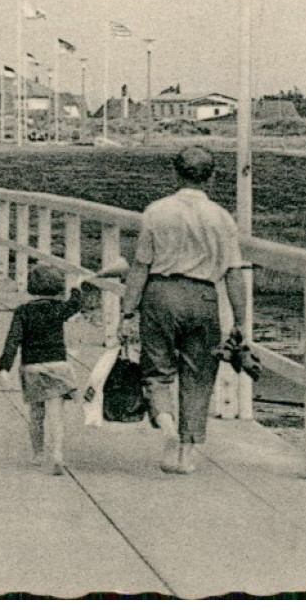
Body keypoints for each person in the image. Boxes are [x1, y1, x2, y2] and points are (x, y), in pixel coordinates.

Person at [120, 145, 249, 475]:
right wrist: (239, 320)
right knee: (199, 375)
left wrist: (128, 311)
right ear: (213, 177)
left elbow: (140, 266)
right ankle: (187, 453)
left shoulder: (156, 212)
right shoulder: (222, 218)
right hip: (203, 296)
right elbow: (234, 272)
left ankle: (167, 430)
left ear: (174, 174)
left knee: (157, 370)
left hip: (160, 294)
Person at [0, 265, 86, 474]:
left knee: (36, 413)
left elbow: (13, 340)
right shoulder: (58, 309)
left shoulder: (23, 311)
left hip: (32, 367)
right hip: (57, 366)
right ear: (57, 288)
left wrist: (4, 367)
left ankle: (37, 453)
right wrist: (76, 287)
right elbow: (76, 304)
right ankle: (57, 454)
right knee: (56, 414)